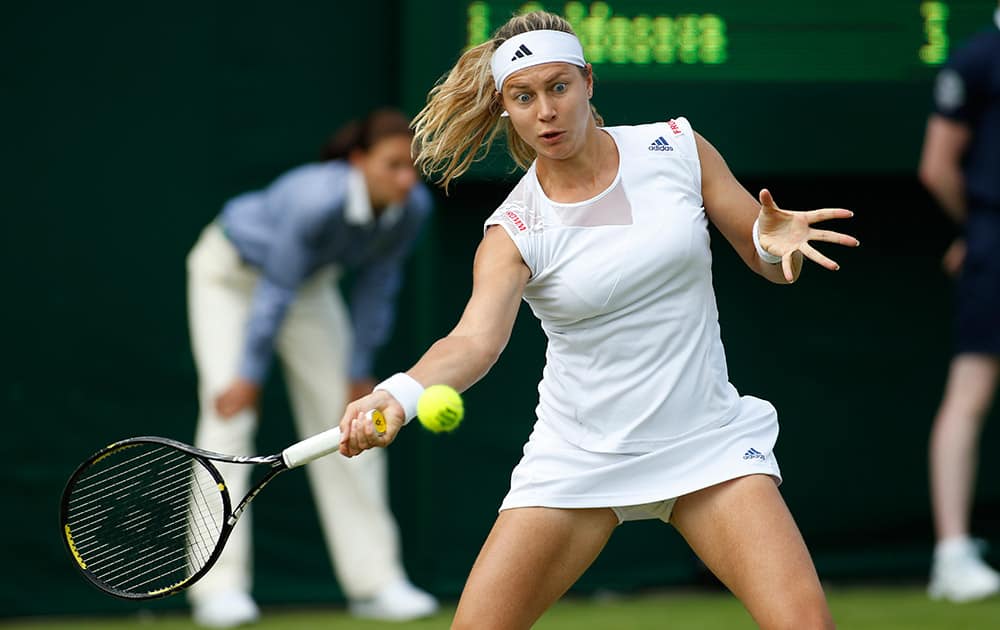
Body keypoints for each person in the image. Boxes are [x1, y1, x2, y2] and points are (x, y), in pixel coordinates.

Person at [335, 11, 858, 630]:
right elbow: (474, 341)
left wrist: (776, 247)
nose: (545, 112)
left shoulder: (676, 149)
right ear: (506, 107)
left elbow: (763, 257)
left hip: (707, 444)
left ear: (588, 81)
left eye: (559, 87)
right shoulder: (514, 230)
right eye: (523, 97)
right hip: (579, 456)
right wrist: (399, 394)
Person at [185, 108, 439, 627]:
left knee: (357, 420)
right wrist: (247, 377)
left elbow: (379, 286)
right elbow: (272, 292)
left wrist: (359, 367)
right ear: (358, 161)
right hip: (229, 276)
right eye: (392, 166)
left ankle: (376, 582)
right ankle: (218, 591)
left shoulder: (411, 208)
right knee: (228, 415)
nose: (405, 179)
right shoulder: (314, 200)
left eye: (412, 167)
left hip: (307, 289)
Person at [918, 2, 1000, 604]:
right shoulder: (977, 60)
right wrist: (974, 231)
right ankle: (952, 554)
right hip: (994, 247)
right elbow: (937, 165)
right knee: (970, 393)